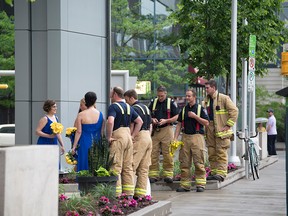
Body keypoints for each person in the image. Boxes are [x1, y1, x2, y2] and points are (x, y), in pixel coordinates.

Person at [107, 86, 143, 197]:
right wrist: (132, 136)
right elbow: (139, 121)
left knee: (115, 166)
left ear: (115, 95)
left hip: (118, 136)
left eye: (111, 93)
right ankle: (129, 194)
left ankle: (116, 193)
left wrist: (108, 137)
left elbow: (110, 121)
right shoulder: (128, 107)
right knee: (127, 167)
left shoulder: (113, 106)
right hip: (128, 136)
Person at [174, 89, 209, 192]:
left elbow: (206, 122)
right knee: (184, 162)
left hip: (197, 137)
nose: (187, 98)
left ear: (194, 97)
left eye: (189, 96)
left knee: (199, 161)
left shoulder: (200, 109)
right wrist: (175, 138)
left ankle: (201, 184)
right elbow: (179, 124)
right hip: (185, 137)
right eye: (186, 96)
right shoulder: (183, 110)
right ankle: (185, 185)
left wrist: (195, 116)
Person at [203, 80, 238, 182]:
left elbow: (234, 111)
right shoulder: (206, 100)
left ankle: (221, 173)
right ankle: (214, 172)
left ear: (213, 88)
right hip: (210, 130)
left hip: (221, 131)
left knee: (221, 152)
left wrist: (228, 125)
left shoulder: (223, 98)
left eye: (207, 88)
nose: (206, 90)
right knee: (212, 152)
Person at [124, 89, 152, 197]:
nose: (126, 103)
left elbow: (134, 124)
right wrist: (148, 135)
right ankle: (140, 194)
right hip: (148, 137)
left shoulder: (133, 108)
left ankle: (128, 193)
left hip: (139, 136)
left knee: (132, 165)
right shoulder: (146, 107)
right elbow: (150, 124)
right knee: (144, 168)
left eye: (127, 100)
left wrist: (132, 136)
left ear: (131, 98)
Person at [148, 86, 179, 183]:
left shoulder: (171, 103)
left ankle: (168, 174)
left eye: (162, 96)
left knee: (168, 153)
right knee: (153, 153)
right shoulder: (153, 102)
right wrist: (152, 119)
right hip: (156, 130)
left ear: (165, 93)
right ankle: (154, 174)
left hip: (167, 129)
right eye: (158, 96)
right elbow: (148, 114)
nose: (160, 97)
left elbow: (177, 116)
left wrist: (167, 120)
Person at [71, 91, 105, 171]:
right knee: (95, 164)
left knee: (83, 163)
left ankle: (83, 182)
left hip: (84, 142)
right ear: (95, 100)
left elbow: (78, 132)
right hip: (97, 142)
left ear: (86, 101)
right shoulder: (100, 114)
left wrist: (74, 146)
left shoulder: (81, 115)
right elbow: (102, 132)